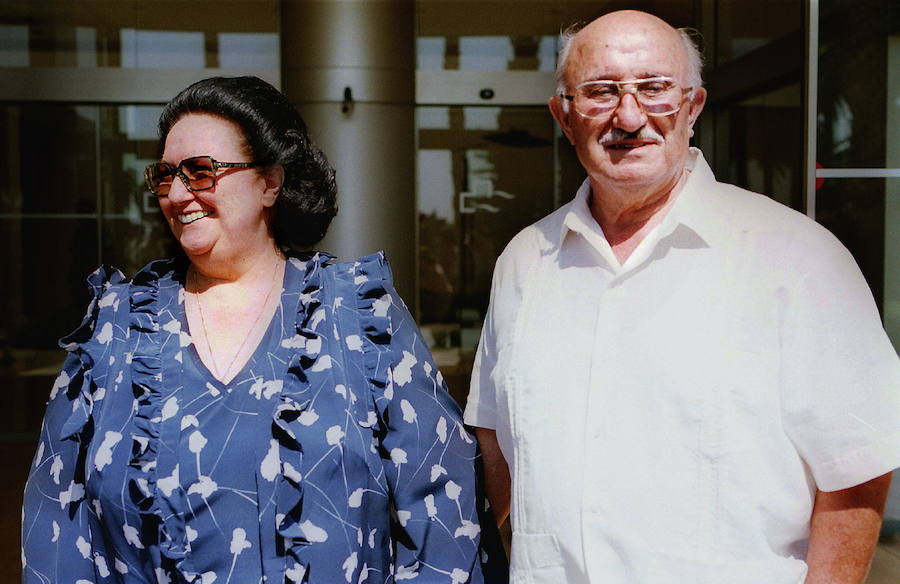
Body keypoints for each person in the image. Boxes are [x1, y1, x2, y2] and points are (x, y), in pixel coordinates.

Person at [465, 10, 900, 584]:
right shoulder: (524, 261)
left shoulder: (797, 257)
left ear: (692, 108)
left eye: (654, 89)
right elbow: (495, 448)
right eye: (599, 92)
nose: (629, 115)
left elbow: (855, 473)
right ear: (564, 118)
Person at [22, 76, 493, 584]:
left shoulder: (359, 314)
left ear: (270, 182)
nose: (178, 194)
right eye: (165, 176)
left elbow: (445, 508)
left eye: (201, 172)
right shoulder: (117, 326)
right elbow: (58, 522)